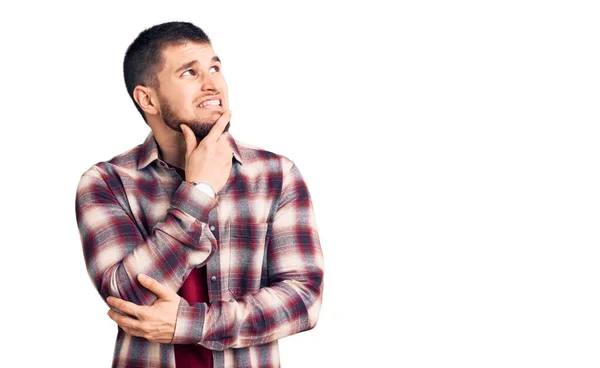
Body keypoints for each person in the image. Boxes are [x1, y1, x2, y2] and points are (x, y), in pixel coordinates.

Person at [75, 21, 324, 368]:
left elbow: (303, 300)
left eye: (215, 68)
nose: (213, 84)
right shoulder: (107, 182)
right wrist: (199, 192)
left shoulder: (276, 175)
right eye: (189, 73)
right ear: (148, 98)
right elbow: (127, 297)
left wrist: (189, 324)